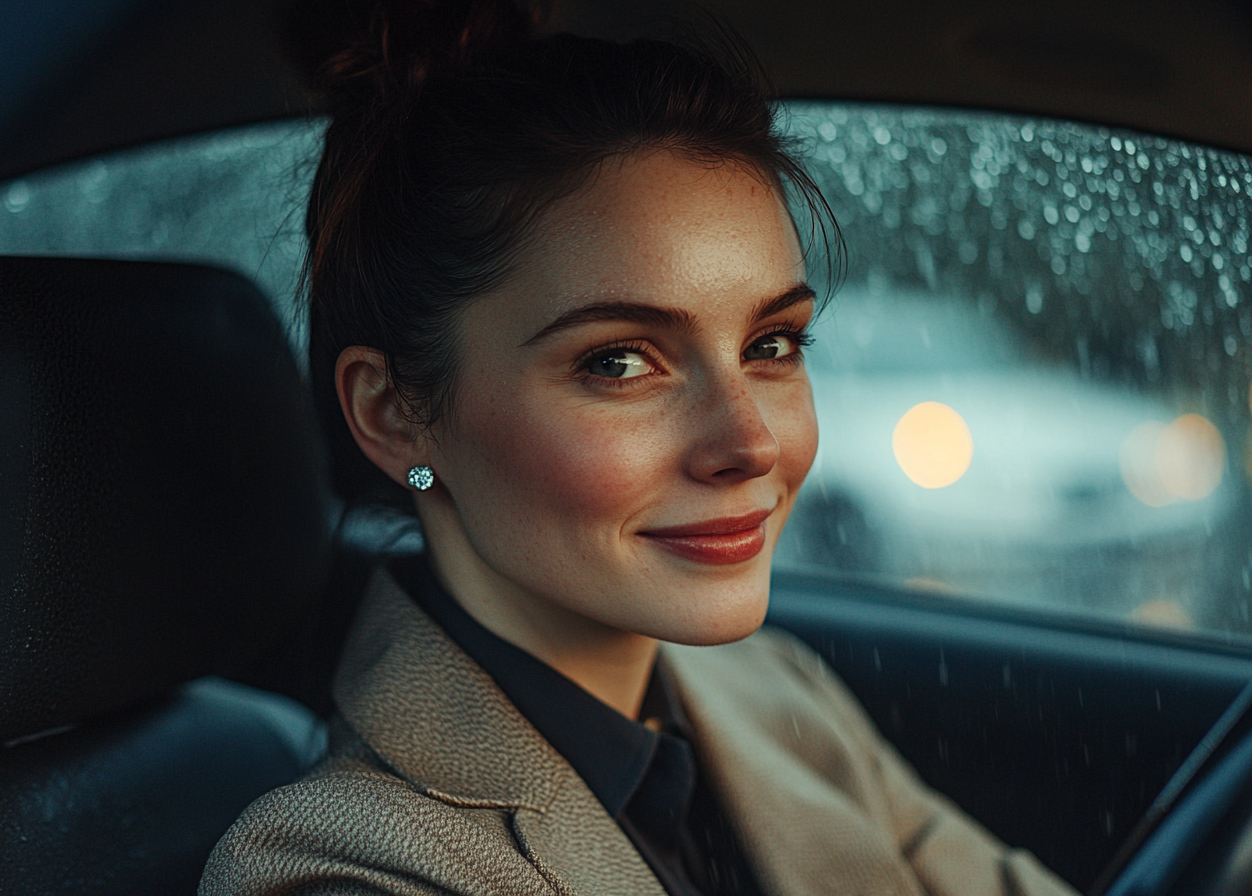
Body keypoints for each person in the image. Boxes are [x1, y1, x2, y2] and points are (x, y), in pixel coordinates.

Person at [202, 1, 1078, 893]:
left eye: (771, 345)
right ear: (395, 418)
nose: (749, 443)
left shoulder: (776, 695)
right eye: (620, 362)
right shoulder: (349, 871)